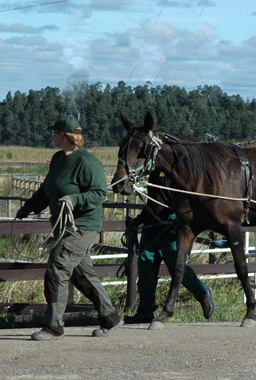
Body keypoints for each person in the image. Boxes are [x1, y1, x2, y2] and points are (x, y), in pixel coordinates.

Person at [16, 115, 123, 340]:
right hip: (63, 227)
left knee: (57, 268)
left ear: (66, 136)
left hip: (83, 227)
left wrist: (74, 200)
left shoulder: (87, 161)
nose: (53, 136)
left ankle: (53, 326)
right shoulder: (57, 159)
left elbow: (99, 193)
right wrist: (28, 208)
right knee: (82, 275)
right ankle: (111, 317)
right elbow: (47, 189)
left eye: (56, 133)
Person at [123, 170, 215, 324]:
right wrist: (139, 220)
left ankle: (203, 294)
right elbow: (153, 203)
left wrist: (179, 219)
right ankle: (145, 310)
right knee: (145, 267)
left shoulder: (179, 173)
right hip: (152, 227)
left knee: (178, 268)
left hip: (171, 227)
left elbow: (188, 201)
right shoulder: (154, 174)